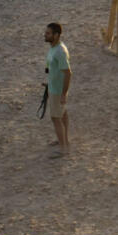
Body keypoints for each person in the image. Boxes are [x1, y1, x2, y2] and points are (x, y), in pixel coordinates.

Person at [43, 22, 71, 158]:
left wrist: (63, 94)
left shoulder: (60, 51)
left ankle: (63, 148)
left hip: (57, 91)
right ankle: (64, 140)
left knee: (55, 118)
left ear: (56, 35)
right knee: (63, 114)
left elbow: (68, 73)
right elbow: (51, 67)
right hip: (53, 88)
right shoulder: (53, 47)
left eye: (48, 33)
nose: (45, 35)